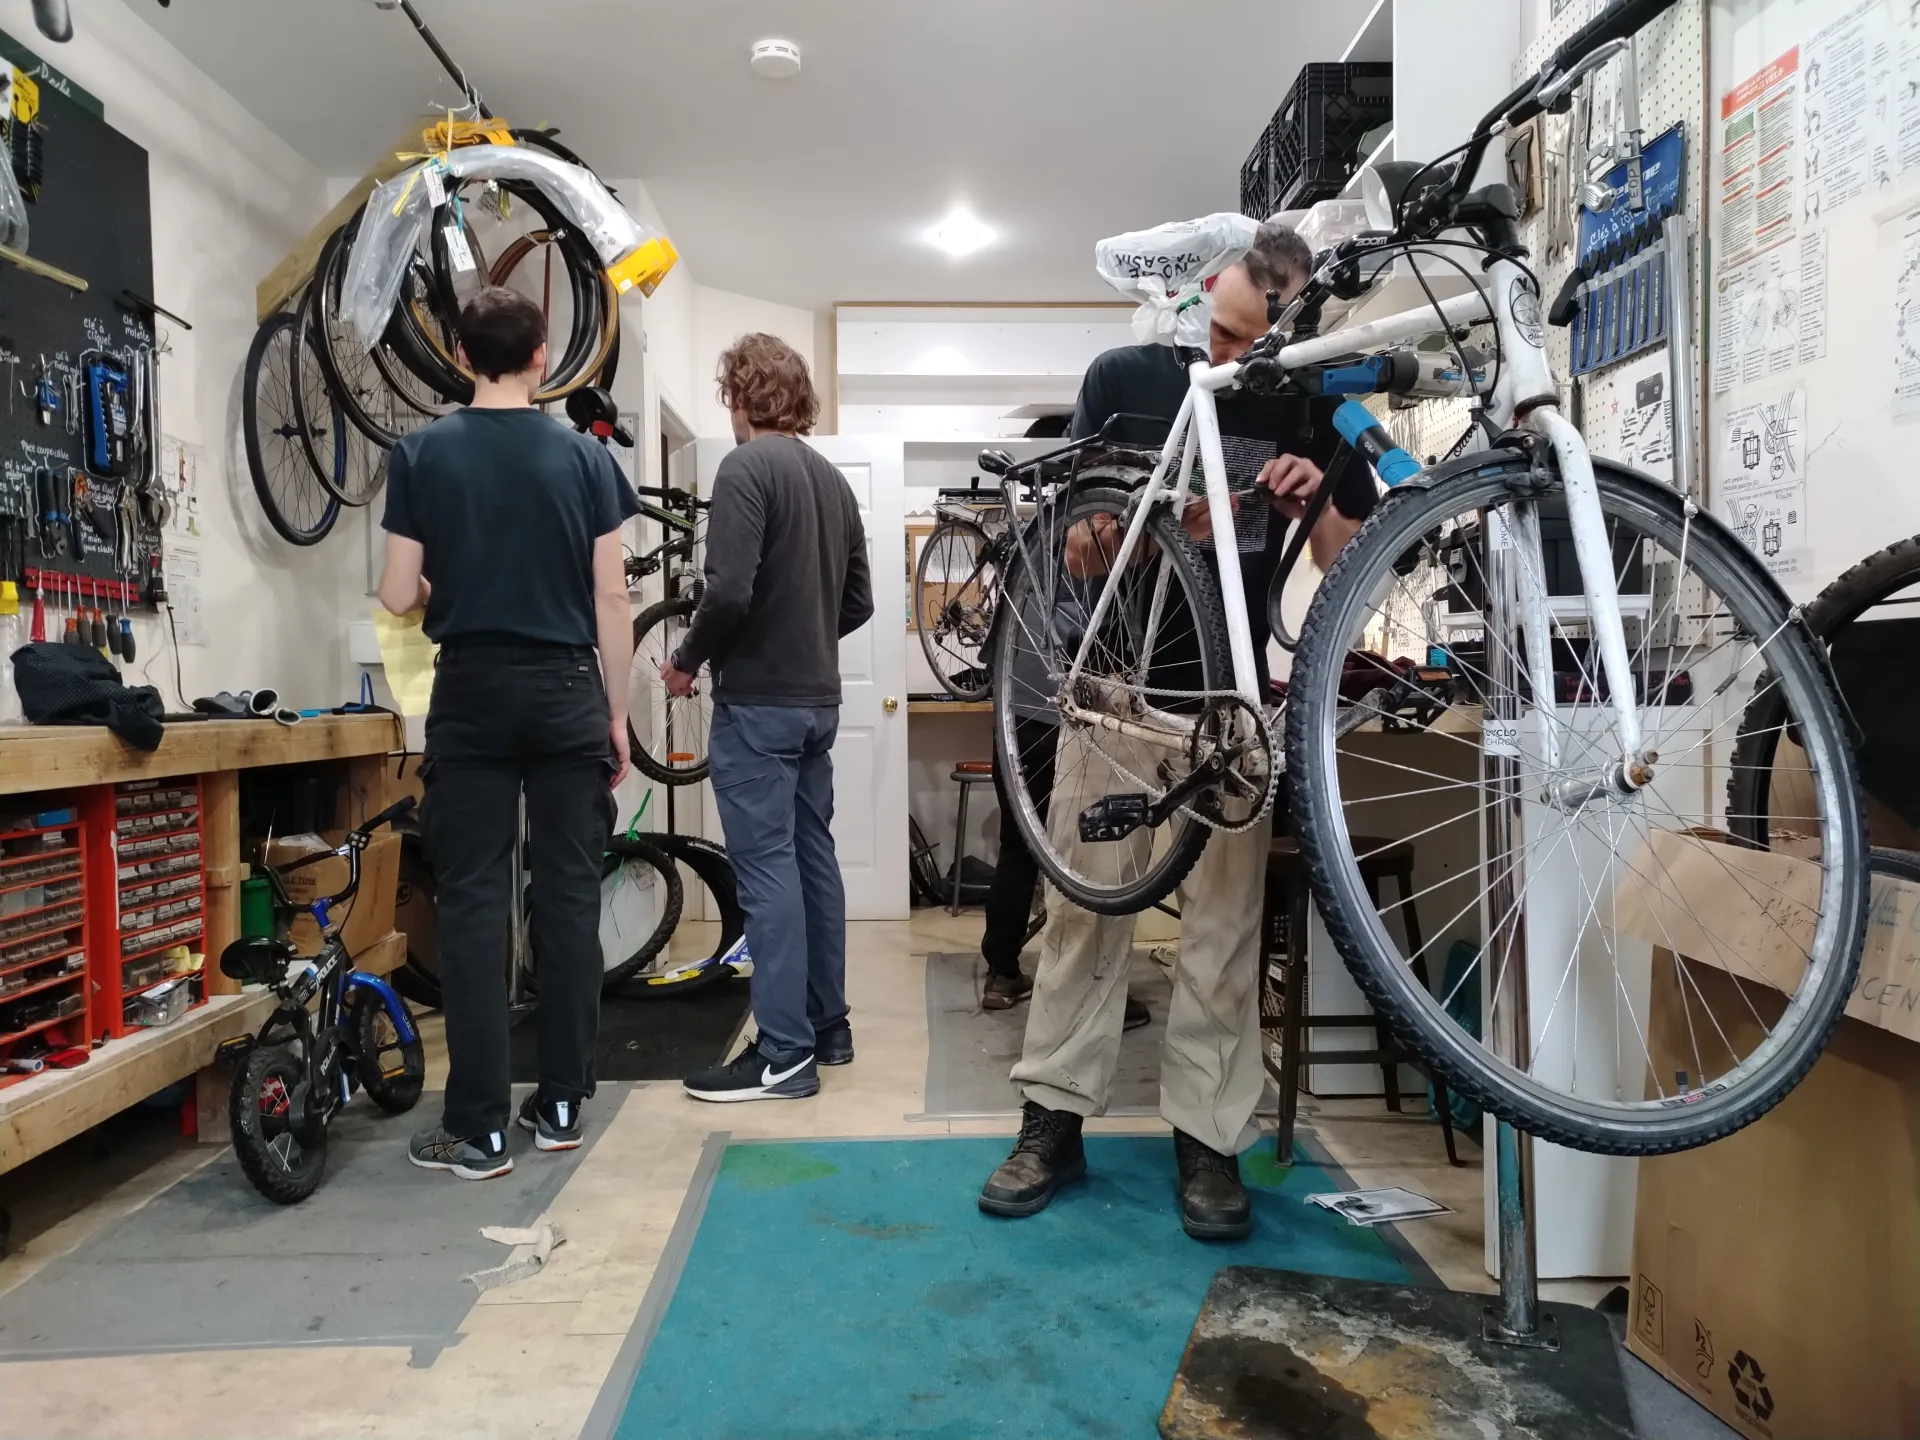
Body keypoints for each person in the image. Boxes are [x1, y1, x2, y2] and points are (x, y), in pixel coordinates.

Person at [977, 222, 1377, 1239]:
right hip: (1118, 693)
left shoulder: (1315, 395)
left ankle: (1207, 1140)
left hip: (1231, 710)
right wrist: (1165, 525)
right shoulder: (1128, 378)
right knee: (1083, 913)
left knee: (1224, 935)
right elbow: (1077, 551)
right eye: (1221, 329)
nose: (1227, 355)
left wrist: (1315, 496)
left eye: (1251, 344)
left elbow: (1345, 555)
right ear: (1207, 291)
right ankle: (1051, 1123)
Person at [378, 286, 635, 1180]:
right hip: (567, 691)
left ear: (459, 355)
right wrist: (616, 714)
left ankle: (479, 1130)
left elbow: (396, 592)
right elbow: (612, 598)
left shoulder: (421, 453)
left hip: (473, 691)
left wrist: (449, 591)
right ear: (541, 357)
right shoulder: (586, 459)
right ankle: (560, 1105)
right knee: (567, 900)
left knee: (475, 906)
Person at [665, 334, 874, 1103]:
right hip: (817, 705)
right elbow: (860, 601)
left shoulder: (746, 468)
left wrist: (686, 660)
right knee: (812, 859)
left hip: (758, 706)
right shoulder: (833, 482)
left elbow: (726, 592)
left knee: (766, 871)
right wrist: (806, 638)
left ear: (740, 397)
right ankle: (827, 1027)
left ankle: (784, 1053)